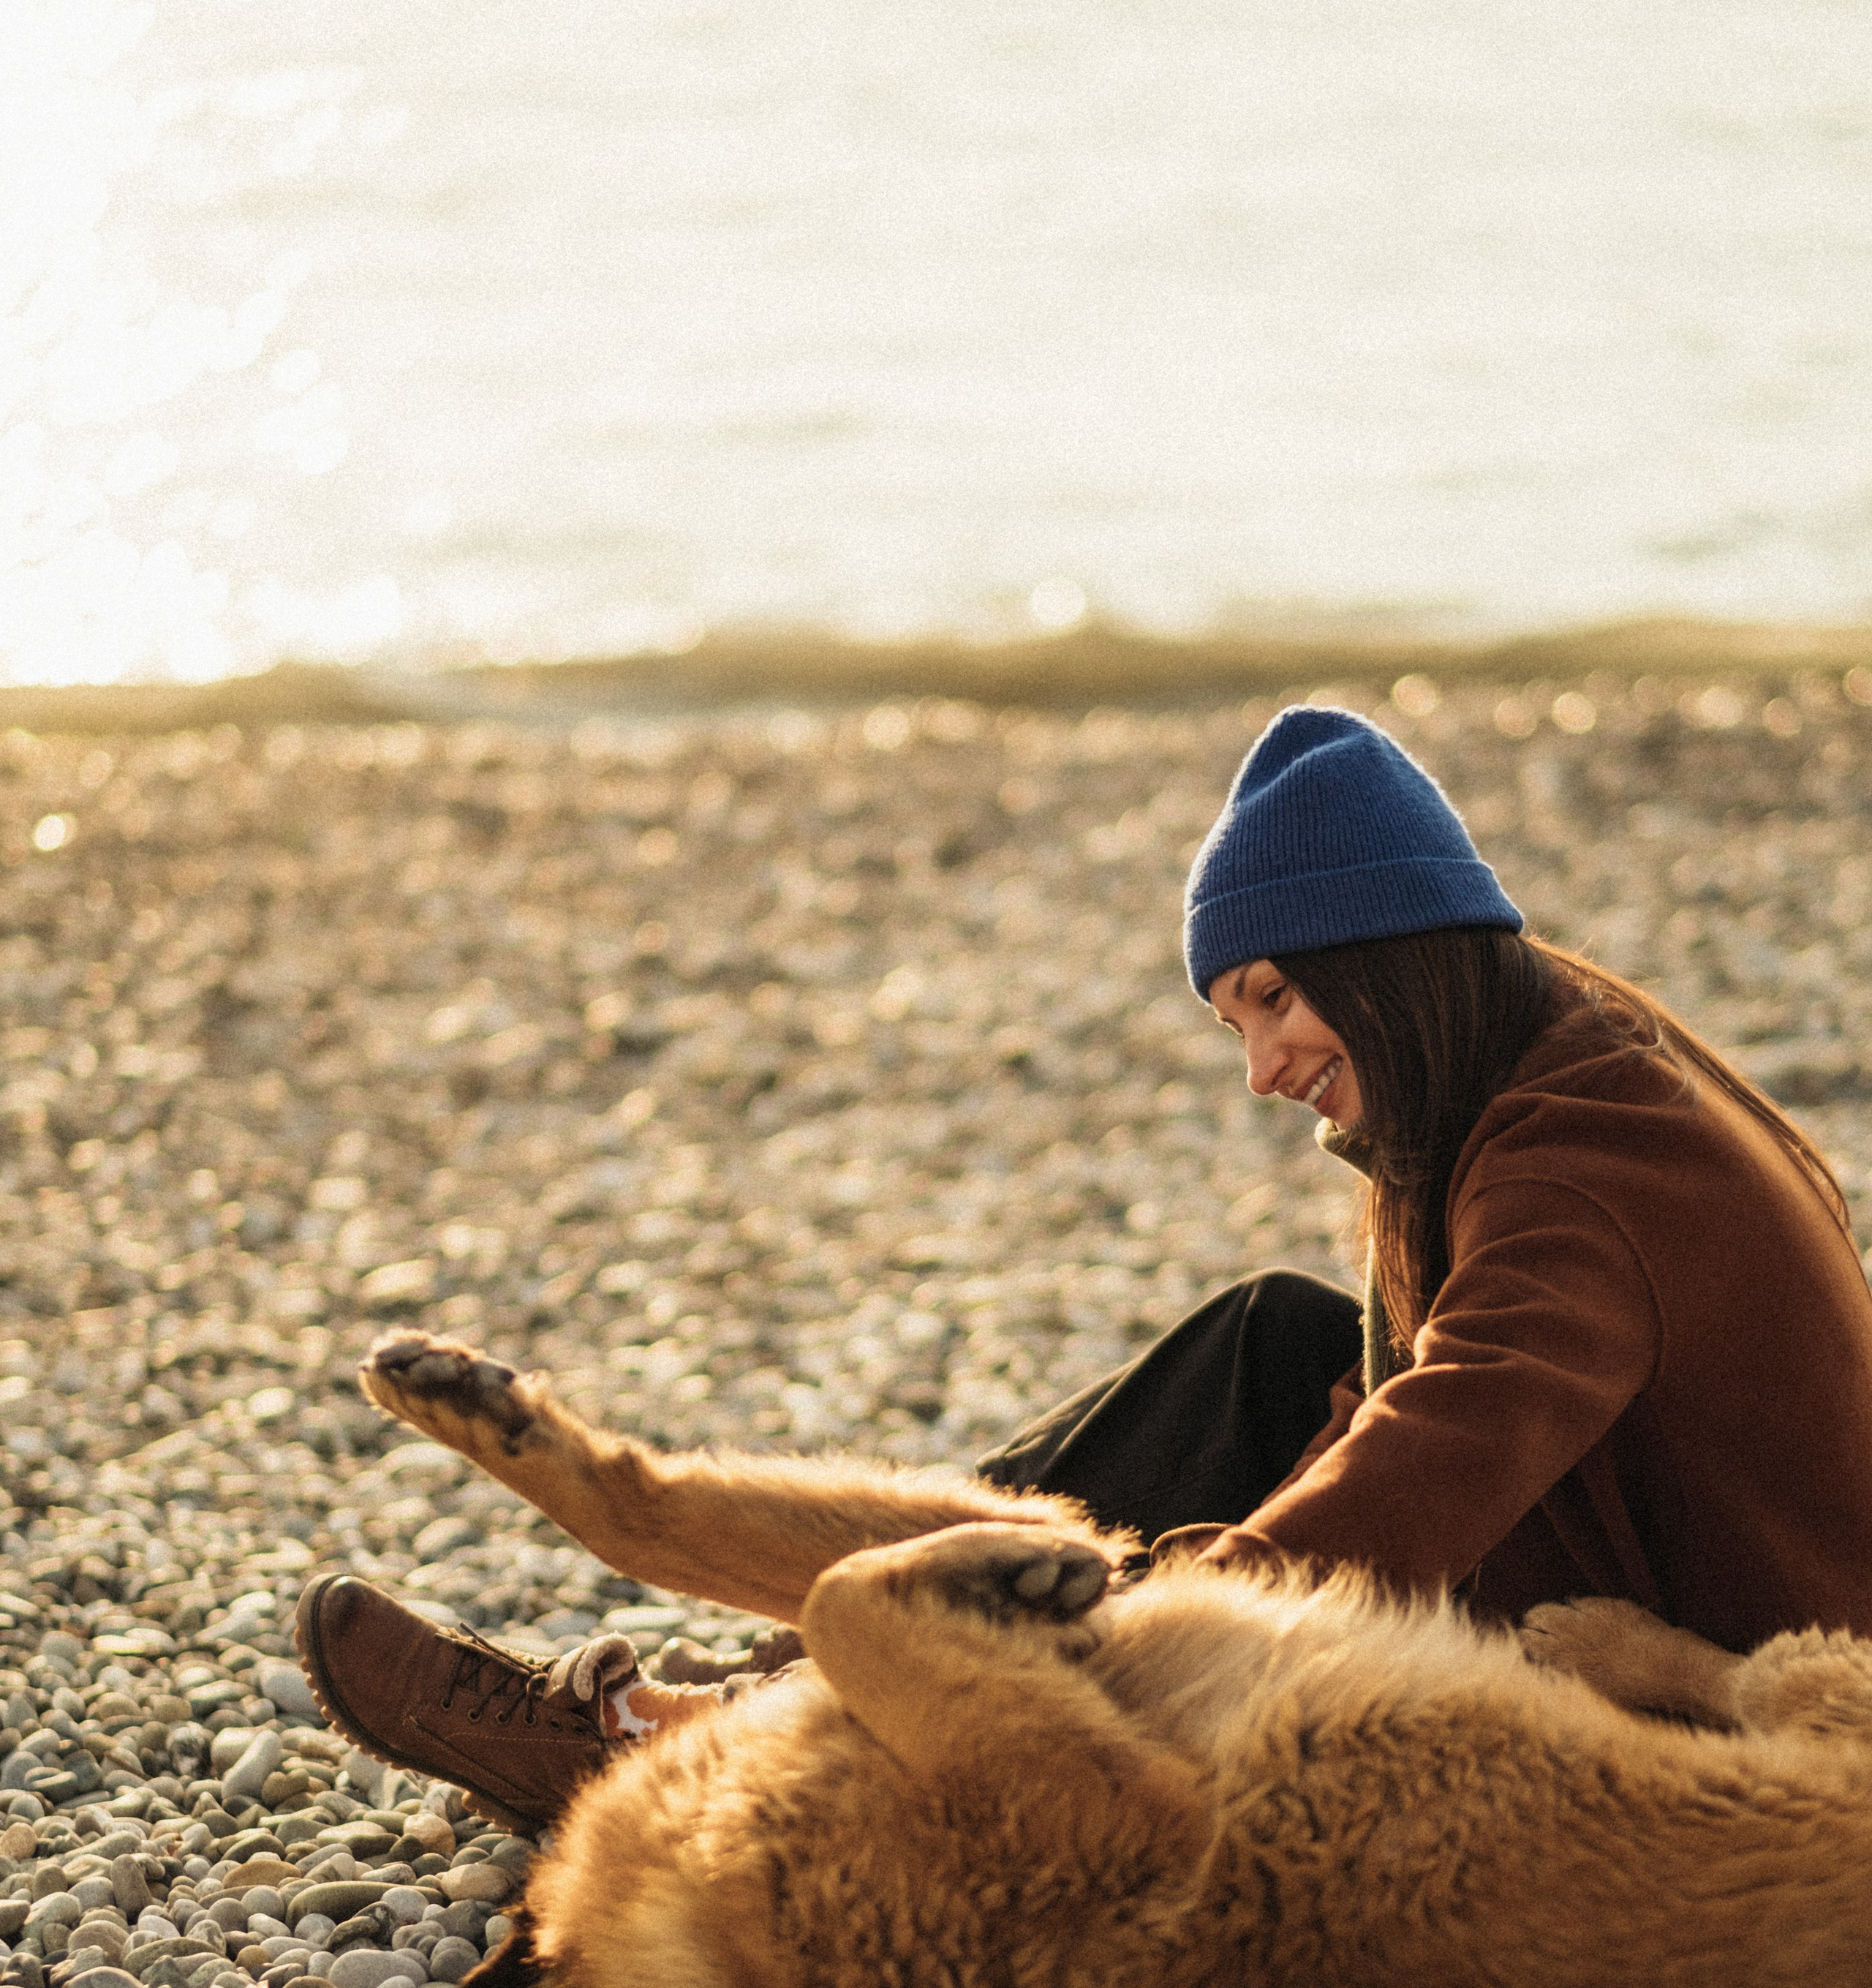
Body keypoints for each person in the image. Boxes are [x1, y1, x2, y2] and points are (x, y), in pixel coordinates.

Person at [296, 704, 1872, 1840]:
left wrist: (1150, 1624)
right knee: (1268, 1350)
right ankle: (797, 1671)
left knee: (1259, 1481)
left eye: (1271, 1003)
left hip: (1710, 1698)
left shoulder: (1583, 1172)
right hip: (1621, 1555)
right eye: (1233, 1024)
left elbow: (1422, 1484)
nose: (1261, 1069)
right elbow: (1396, 1398)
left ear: (1388, 954)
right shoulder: (1546, 1053)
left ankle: (741, 1719)